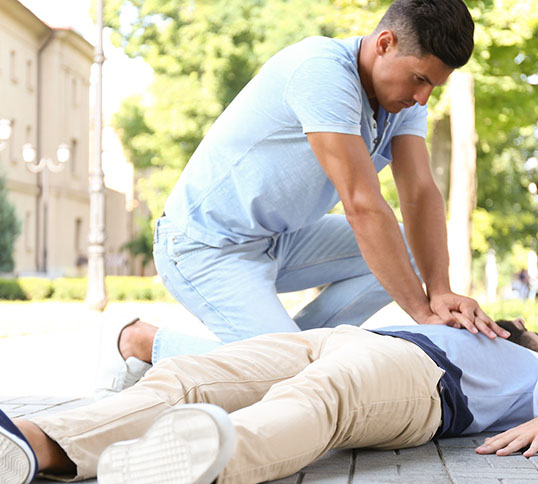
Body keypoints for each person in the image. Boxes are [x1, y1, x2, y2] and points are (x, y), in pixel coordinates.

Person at [103, 0, 510, 393]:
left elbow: (420, 193)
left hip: (279, 239)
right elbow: (362, 205)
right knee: (291, 375)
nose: (423, 98)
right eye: (420, 80)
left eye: (434, 86)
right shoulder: (323, 72)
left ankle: (296, 352)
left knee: (403, 250)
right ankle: (144, 342)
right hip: (204, 245)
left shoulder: (403, 100)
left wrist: (440, 292)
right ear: (385, 43)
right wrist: (423, 315)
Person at [2, 319, 538, 484]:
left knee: (319, 400)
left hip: (422, 382)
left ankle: (198, 462)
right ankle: (32, 443)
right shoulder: (475, 327)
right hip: (340, 336)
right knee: (188, 378)